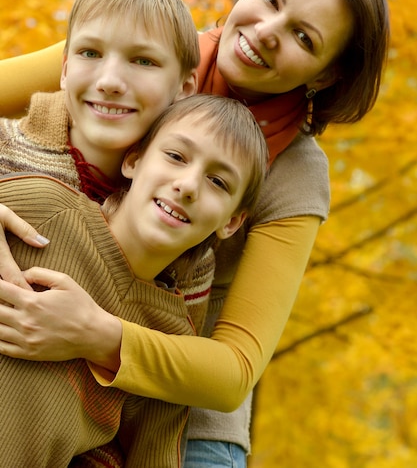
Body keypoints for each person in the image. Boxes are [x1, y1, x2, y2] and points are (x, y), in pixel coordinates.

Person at [0, 0, 390, 467]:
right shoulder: (145, 49)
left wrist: (95, 333)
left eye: (303, 36)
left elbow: (233, 370)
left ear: (325, 74)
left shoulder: (298, 174)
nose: (268, 32)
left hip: (179, 390)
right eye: (272, 0)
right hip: (48, 310)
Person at [0, 93, 269, 468]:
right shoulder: (42, 209)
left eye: (218, 182)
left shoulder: (170, 342)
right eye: (176, 156)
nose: (188, 185)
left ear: (232, 222)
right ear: (134, 159)